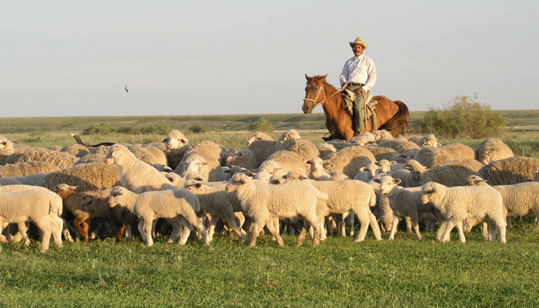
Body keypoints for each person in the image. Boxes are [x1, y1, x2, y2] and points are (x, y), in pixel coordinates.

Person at [339, 37, 377, 136]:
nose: (356, 49)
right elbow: (343, 74)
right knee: (336, 103)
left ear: (362, 49)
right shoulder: (348, 62)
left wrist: (364, 88)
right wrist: (343, 82)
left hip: (361, 88)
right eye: (355, 47)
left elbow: (373, 76)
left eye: (359, 47)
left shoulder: (368, 61)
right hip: (349, 87)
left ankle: (359, 132)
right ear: (352, 48)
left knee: (358, 107)